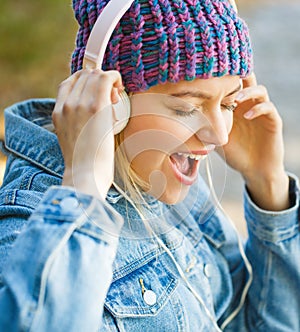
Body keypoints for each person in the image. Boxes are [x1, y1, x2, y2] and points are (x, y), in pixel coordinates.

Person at [0, 0, 299, 331]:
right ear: (112, 103)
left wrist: (268, 184)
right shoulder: (25, 227)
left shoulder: (167, 181)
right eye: (186, 108)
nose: (219, 134)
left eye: (228, 102)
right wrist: (84, 186)